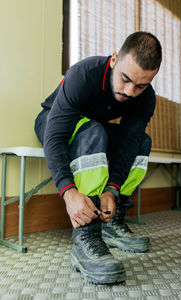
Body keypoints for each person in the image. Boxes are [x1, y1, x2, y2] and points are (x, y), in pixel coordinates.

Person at [34, 31, 162, 284]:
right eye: (125, 79)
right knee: (92, 130)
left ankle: (111, 219)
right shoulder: (83, 75)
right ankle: (86, 236)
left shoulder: (145, 97)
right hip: (52, 122)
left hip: (92, 128)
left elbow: (128, 143)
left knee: (141, 142)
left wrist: (112, 189)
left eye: (141, 85)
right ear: (114, 58)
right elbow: (55, 137)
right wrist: (68, 192)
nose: (129, 91)